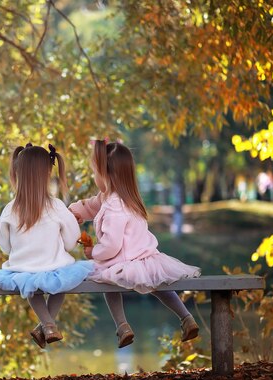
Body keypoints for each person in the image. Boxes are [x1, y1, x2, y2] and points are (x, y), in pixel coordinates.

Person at [68, 139, 201, 348]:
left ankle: (123, 326)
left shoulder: (114, 206)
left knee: (107, 283)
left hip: (122, 260)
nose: (94, 177)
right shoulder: (124, 197)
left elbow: (111, 245)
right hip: (147, 258)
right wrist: (74, 212)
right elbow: (91, 206)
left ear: (106, 175)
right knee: (159, 284)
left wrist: (94, 252)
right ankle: (186, 318)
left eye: (95, 172)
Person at [0, 143, 92, 348]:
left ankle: (46, 326)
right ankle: (48, 324)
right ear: (47, 172)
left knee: (29, 284)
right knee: (64, 281)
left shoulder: (10, 209)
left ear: (18, 173)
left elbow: (5, 245)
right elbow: (72, 241)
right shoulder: (56, 206)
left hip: (22, 268)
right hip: (54, 266)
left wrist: (20, 251)